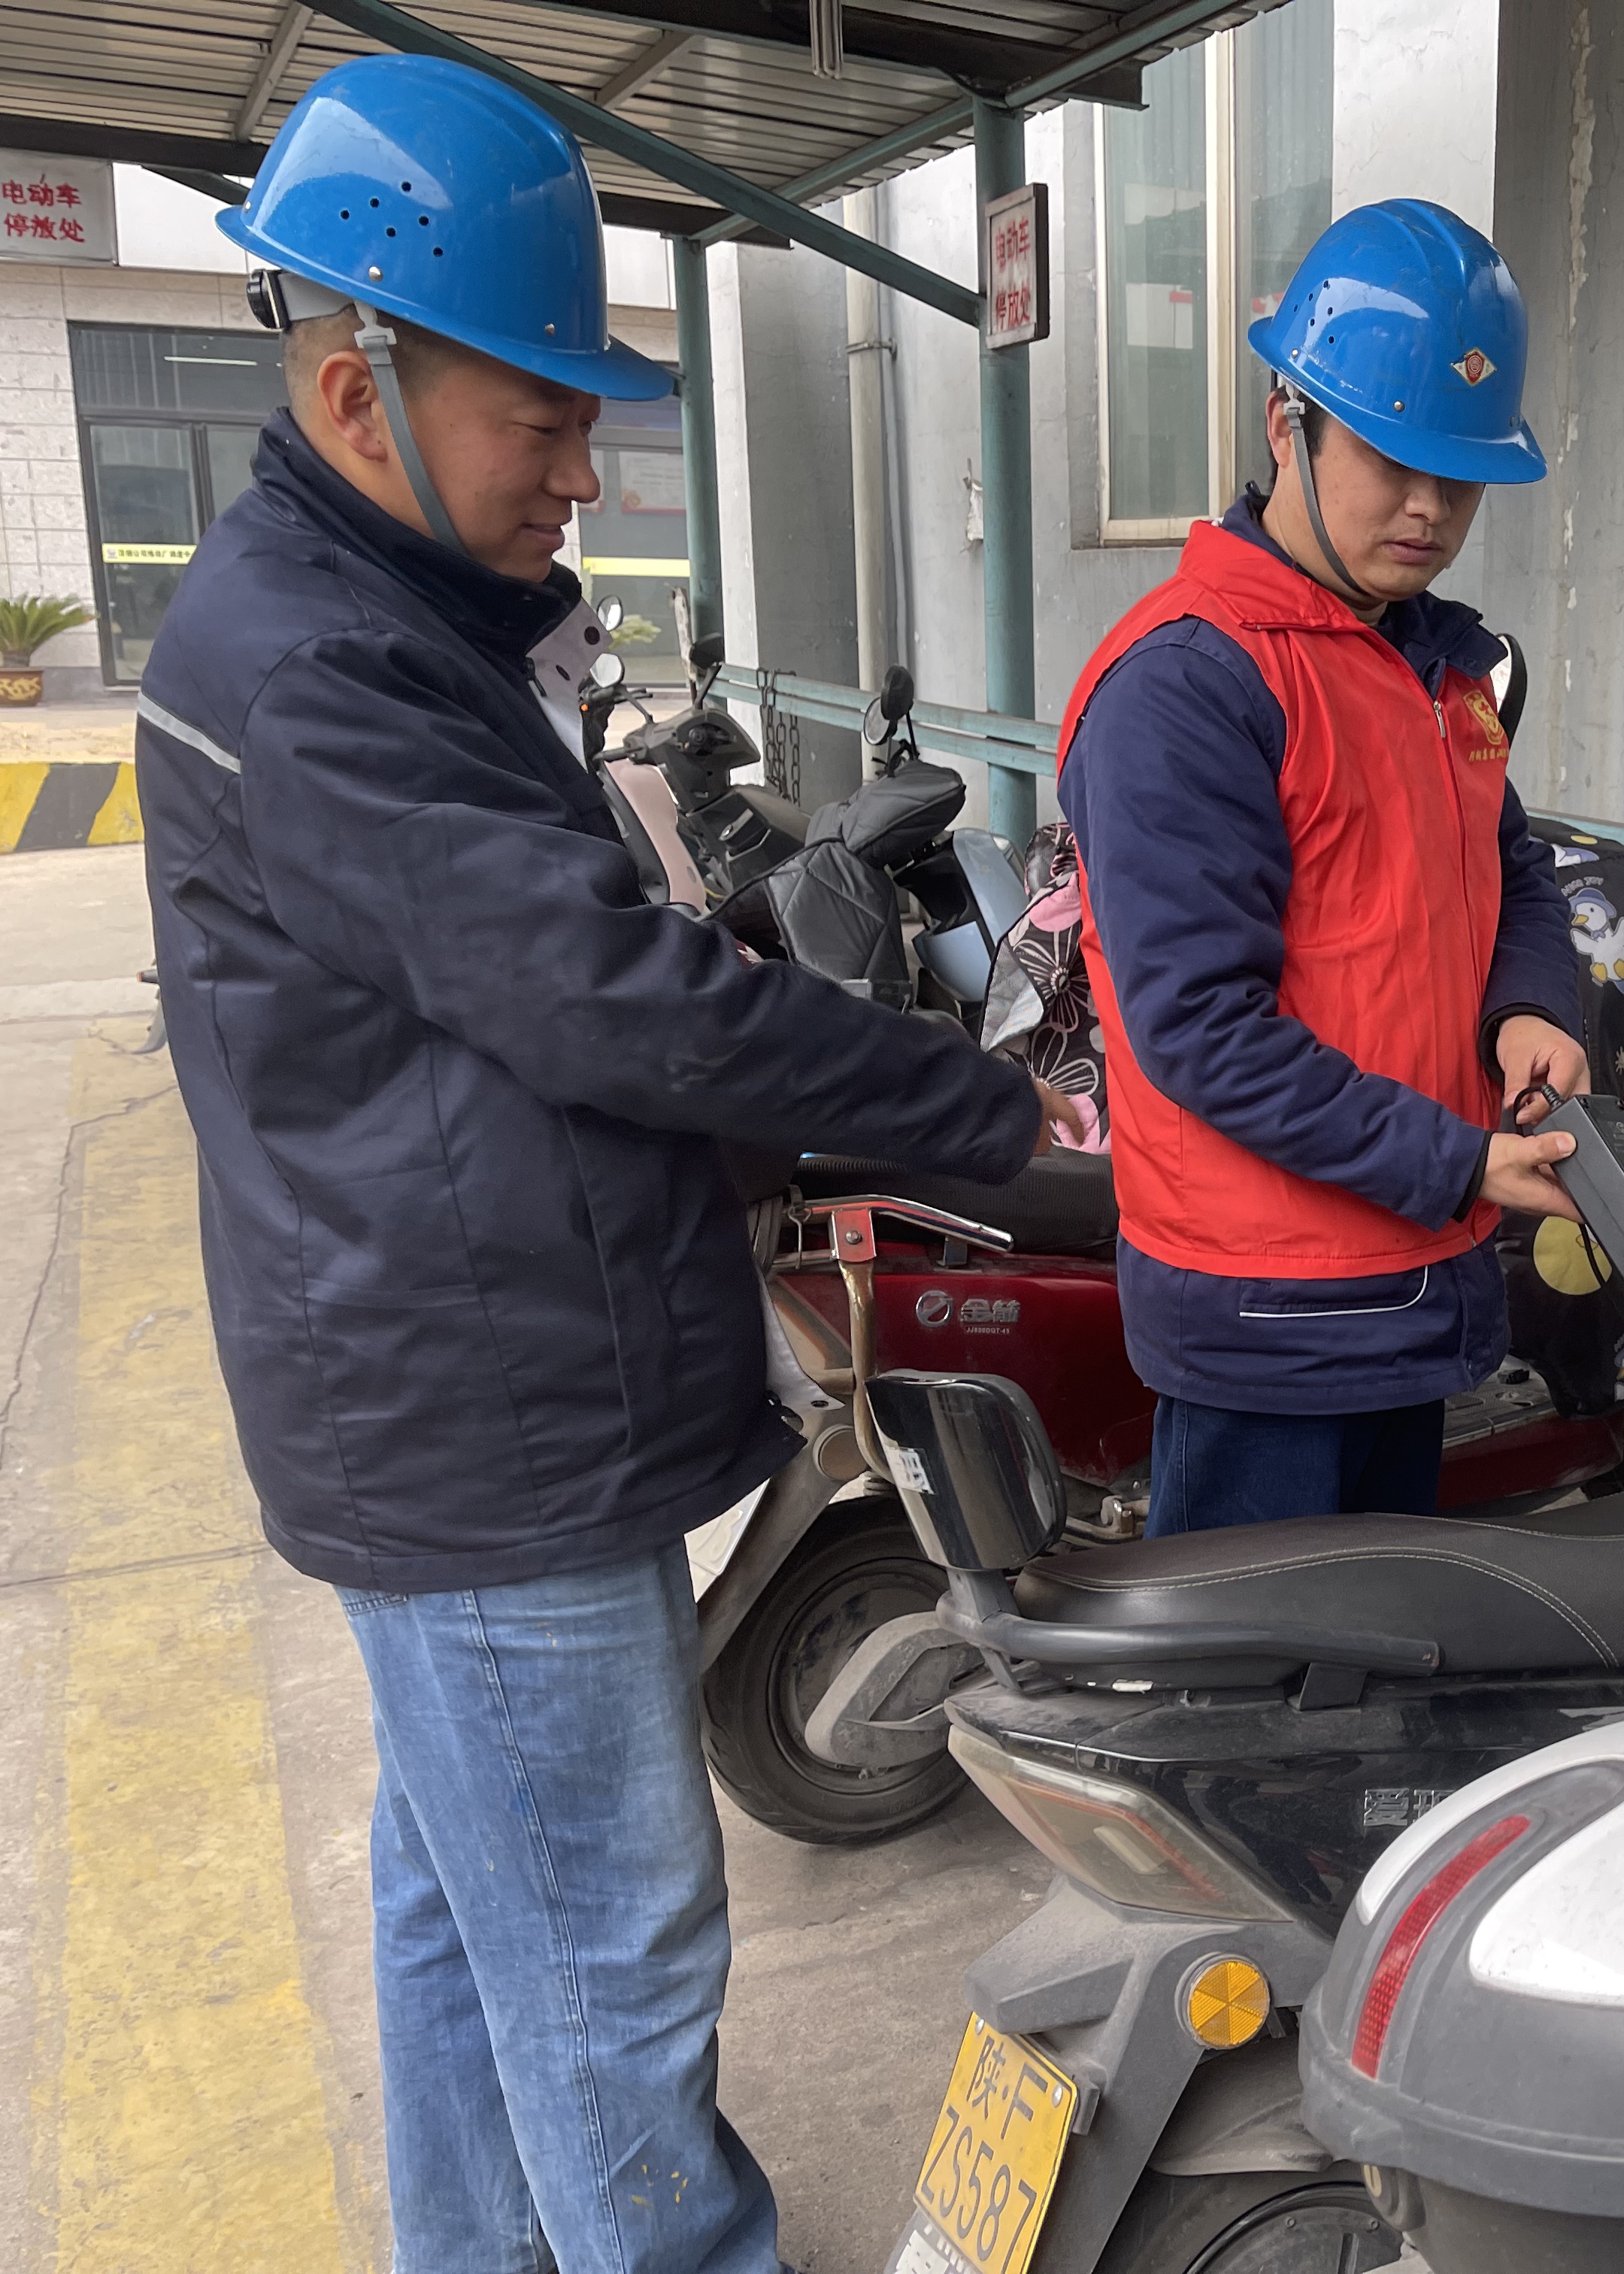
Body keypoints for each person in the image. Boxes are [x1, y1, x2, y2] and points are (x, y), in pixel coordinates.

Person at [132, 56, 1059, 2274]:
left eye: (586, 413)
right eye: (537, 419)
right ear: (361, 394)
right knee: (617, 1957)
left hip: (442, 1385)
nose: (583, 461)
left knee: (473, 1911)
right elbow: (598, 1001)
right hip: (478, 1424)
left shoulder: (396, 628)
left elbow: (553, 980)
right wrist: (989, 1120)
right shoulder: (316, 674)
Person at [1056, 199, 1589, 1536]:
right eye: (1389, 456)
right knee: (1252, 1712)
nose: (1428, 510)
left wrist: (1529, 1006)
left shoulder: (1426, 663)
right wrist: (1458, 1160)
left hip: (1410, 1278)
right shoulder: (1192, 684)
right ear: (1287, 419)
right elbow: (1202, 1031)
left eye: (1460, 476)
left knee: (1370, 1693)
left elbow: (1508, 865)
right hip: (1269, 1313)